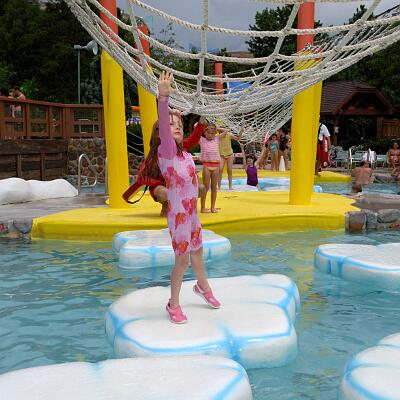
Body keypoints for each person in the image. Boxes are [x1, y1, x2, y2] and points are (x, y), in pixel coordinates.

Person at [156, 71, 220, 323]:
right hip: (179, 217)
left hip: (192, 215)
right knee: (182, 262)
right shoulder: (167, 152)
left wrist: (202, 119)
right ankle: (173, 304)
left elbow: (194, 134)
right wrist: (163, 99)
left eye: (179, 125)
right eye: (172, 125)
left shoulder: (184, 155)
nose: (176, 128)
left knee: (198, 252)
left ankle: (203, 287)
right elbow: (164, 128)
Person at [123, 116, 206, 217]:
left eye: (180, 125)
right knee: (165, 193)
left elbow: (193, 140)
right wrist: (160, 183)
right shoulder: (157, 153)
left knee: (201, 188)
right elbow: (143, 176)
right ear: (159, 133)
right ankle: (167, 207)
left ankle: (179, 206)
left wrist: (201, 123)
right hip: (161, 186)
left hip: (178, 186)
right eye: (171, 124)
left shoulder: (181, 148)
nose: (178, 127)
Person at [199, 122, 228, 213]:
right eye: (208, 132)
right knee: (205, 187)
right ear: (204, 132)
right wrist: (206, 126)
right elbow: (195, 127)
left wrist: (215, 128)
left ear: (215, 133)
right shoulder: (202, 140)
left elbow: (225, 131)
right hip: (207, 166)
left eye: (212, 133)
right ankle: (203, 208)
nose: (210, 135)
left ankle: (212, 207)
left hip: (216, 166)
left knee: (214, 187)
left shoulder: (216, 139)